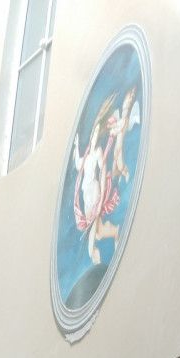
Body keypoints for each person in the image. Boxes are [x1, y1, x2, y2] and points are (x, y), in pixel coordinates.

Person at [73, 102, 120, 265]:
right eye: (93, 133)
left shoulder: (98, 152)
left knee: (92, 231)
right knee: (98, 232)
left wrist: (100, 202)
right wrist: (76, 148)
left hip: (94, 190)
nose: (94, 136)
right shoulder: (86, 156)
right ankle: (115, 231)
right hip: (86, 194)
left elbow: (103, 170)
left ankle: (94, 256)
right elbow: (78, 165)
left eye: (96, 133)